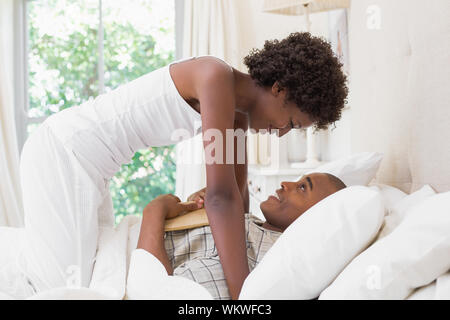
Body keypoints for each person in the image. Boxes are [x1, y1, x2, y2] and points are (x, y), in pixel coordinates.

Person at [18, 32, 348, 298]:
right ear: (279, 89)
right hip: (67, 153)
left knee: (88, 280)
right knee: (59, 288)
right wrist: (244, 299)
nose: (281, 134)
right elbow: (222, 198)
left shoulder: (236, 114)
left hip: (94, 167)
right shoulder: (215, 77)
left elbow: (237, 196)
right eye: (290, 122)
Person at [137, 173, 347, 299]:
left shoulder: (264, 259)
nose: (285, 183)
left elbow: (156, 293)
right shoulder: (252, 226)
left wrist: (154, 213)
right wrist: (195, 210)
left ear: (316, 218)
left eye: (302, 188)